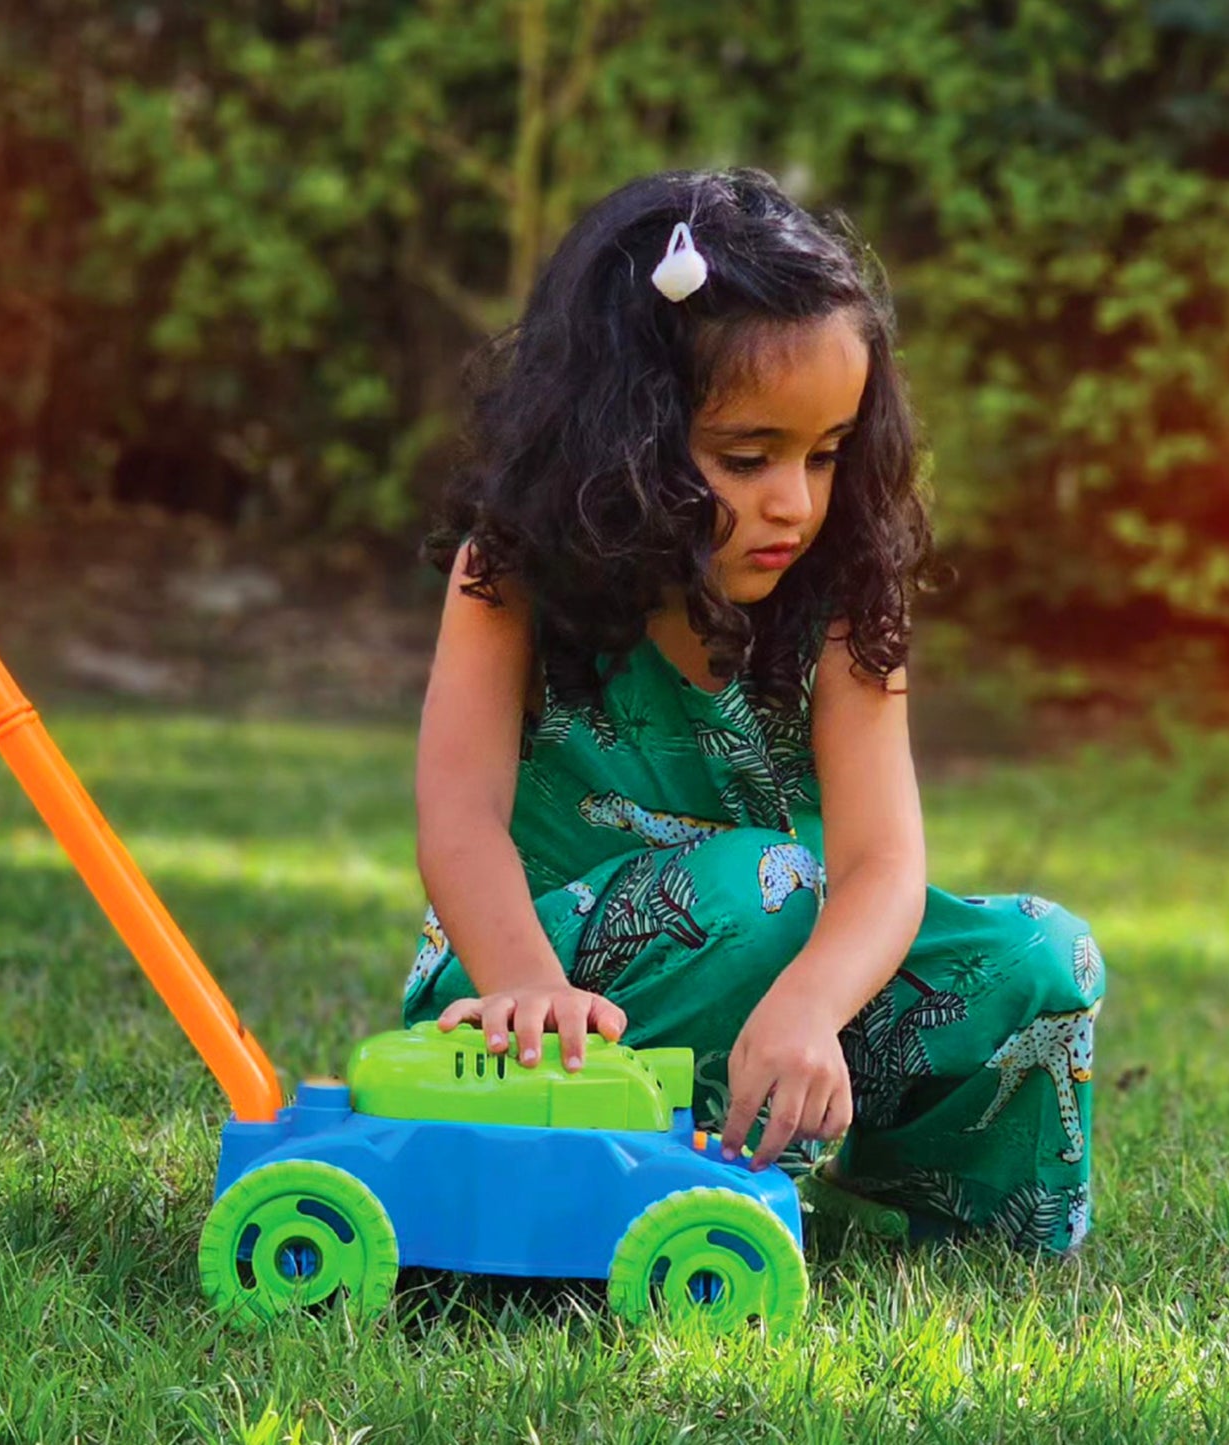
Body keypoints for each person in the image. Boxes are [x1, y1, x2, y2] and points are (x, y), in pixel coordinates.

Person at [400, 168, 1105, 1253]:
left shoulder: (840, 591)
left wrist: (812, 1005)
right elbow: (458, 818)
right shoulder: (514, 572)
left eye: (825, 454)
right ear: (622, 434)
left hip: (786, 968)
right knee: (765, 884)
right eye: (748, 457)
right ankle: (624, 1171)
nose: (796, 501)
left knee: (1041, 954)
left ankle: (910, 1202)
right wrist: (529, 991)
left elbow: (881, 865)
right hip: (540, 991)